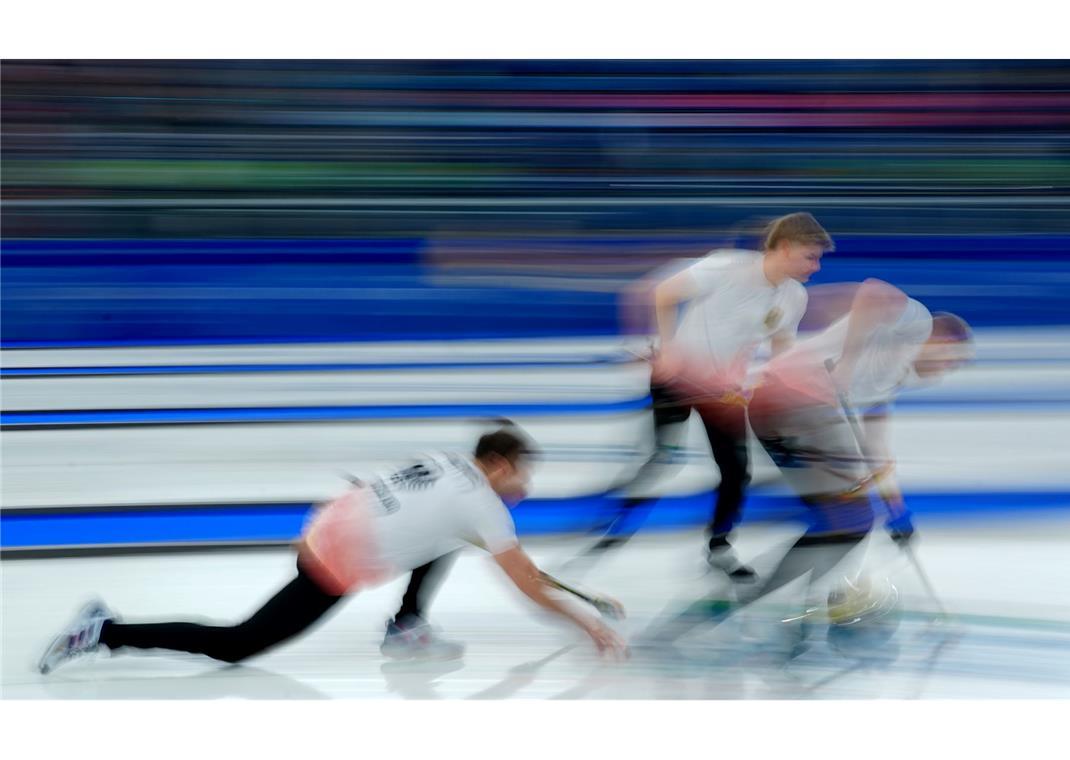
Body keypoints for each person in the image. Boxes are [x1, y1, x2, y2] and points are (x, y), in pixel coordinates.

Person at [38, 423, 626, 674]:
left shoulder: (449, 464)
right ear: (496, 464)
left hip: (330, 523)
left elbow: (394, 497)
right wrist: (588, 623)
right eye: (521, 472)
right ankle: (105, 631)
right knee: (239, 645)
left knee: (446, 539)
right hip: (336, 559)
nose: (526, 485)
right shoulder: (482, 506)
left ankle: (407, 624)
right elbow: (523, 580)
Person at [639, 279, 973, 649]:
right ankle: (790, 607)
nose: (946, 370)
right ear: (939, 340)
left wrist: (897, 510)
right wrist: (847, 363)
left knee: (842, 521)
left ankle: (758, 603)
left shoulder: (894, 378)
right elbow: (873, 293)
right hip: (793, 402)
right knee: (852, 519)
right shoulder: (917, 324)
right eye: (950, 359)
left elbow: (875, 450)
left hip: (779, 410)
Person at [579, 212, 835, 579]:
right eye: (810, 257)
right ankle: (611, 524)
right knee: (662, 459)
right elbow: (663, 293)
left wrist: (780, 382)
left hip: (722, 394)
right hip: (676, 380)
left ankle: (719, 547)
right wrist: (668, 351)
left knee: (736, 471)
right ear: (784, 247)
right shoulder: (726, 267)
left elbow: (781, 354)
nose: (816, 266)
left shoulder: (795, 297)